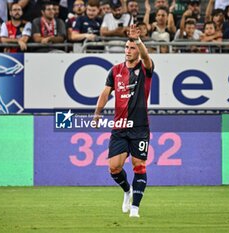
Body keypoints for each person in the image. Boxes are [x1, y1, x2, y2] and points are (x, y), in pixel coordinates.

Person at [92, 24, 153, 218]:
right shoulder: (115, 70)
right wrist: (97, 113)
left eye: (132, 47)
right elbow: (105, 92)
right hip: (119, 127)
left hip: (140, 128)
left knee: (139, 165)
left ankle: (135, 207)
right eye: (126, 47)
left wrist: (138, 40)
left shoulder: (145, 70)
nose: (128, 51)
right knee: (114, 167)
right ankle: (127, 190)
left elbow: (145, 57)